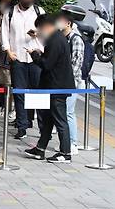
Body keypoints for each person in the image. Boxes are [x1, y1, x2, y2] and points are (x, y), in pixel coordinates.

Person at [24, 14, 75, 163]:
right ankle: (40, 149)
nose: (39, 31)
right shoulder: (56, 38)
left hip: (56, 87)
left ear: (46, 26)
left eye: (40, 28)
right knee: (48, 119)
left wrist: (35, 55)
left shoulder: (55, 40)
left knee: (60, 120)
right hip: (52, 86)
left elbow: (47, 65)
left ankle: (65, 152)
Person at [1, 0, 44, 139]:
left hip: (36, 57)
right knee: (19, 93)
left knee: (38, 93)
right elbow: (4, 33)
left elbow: (47, 32)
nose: (28, 1)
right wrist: (8, 51)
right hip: (17, 57)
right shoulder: (10, 13)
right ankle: (22, 125)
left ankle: (42, 126)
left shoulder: (39, 12)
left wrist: (38, 34)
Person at [57, 13, 83, 155]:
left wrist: (65, 78)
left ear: (68, 23)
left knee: (68, 112)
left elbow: (76, 64)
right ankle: (66, 143)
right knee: (63, 113)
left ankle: (73, 143)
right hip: (63, 82)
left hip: (72, 83)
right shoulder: (62, 38)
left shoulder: (76, 39)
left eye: (60, 21)